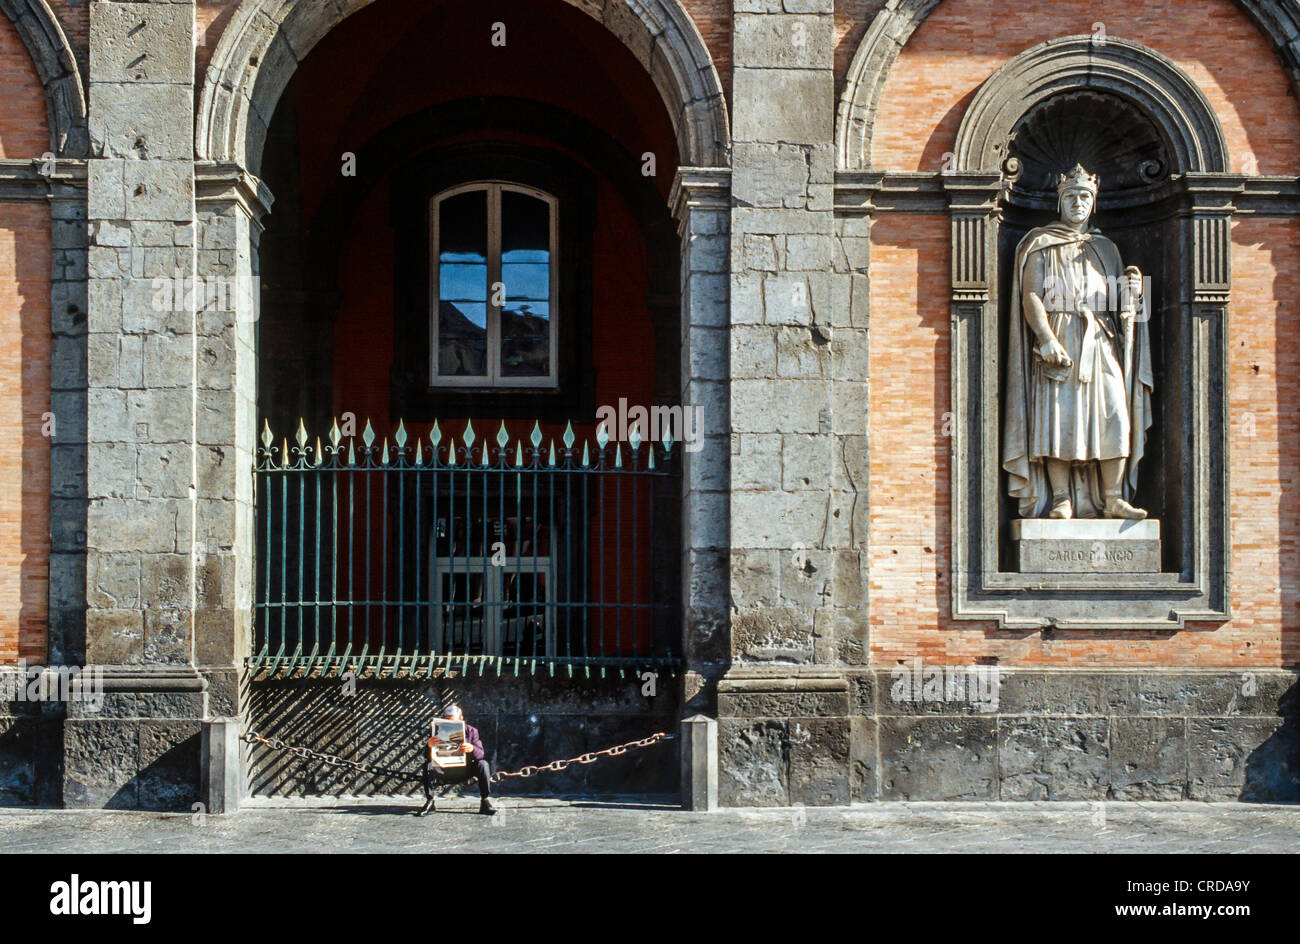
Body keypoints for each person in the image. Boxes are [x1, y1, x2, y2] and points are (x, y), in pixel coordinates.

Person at [1003, 163, 1153, 520]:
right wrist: (1047, 339)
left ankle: (1114, 497)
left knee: (1114, 412)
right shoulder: (1041, 244)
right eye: (1070, 196)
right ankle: (1060, 499)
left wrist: (1135, 292)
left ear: (1094, 201)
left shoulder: (1106, 248)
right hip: (1059, 339)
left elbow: (1124, 310)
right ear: (1059, 201)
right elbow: (1031, 296)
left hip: (1101, 340)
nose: (1077, 203)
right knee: (1058, 417)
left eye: (1084, 196)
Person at [416, 704, 497, 816]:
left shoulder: (471, 731)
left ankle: (485, 801)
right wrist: (429, 746)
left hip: (465, 769)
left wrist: (472, 748)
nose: (451, 724)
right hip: (444, 769)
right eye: (447, 721)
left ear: (461, 719)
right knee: (428, 765)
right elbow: (427, 757)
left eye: (454, 721)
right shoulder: (436, 731)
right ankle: (430, 801)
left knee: (483, 764)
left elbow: (481, 755)